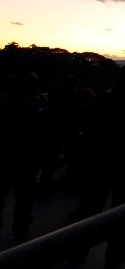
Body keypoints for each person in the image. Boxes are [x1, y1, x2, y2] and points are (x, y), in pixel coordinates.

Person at [78, 64, 125, 268]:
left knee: (91, 207)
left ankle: (78, 247)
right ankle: (116, 248)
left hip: (98, 161)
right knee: (121, 209)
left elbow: (83, 122)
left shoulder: (103, 99)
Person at [0, 71, 50, 238]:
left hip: (8, 155)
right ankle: (21, 226)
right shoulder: (40, 102)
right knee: (25, 195)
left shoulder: (11, 103)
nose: (9, 83)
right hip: (30, 157)